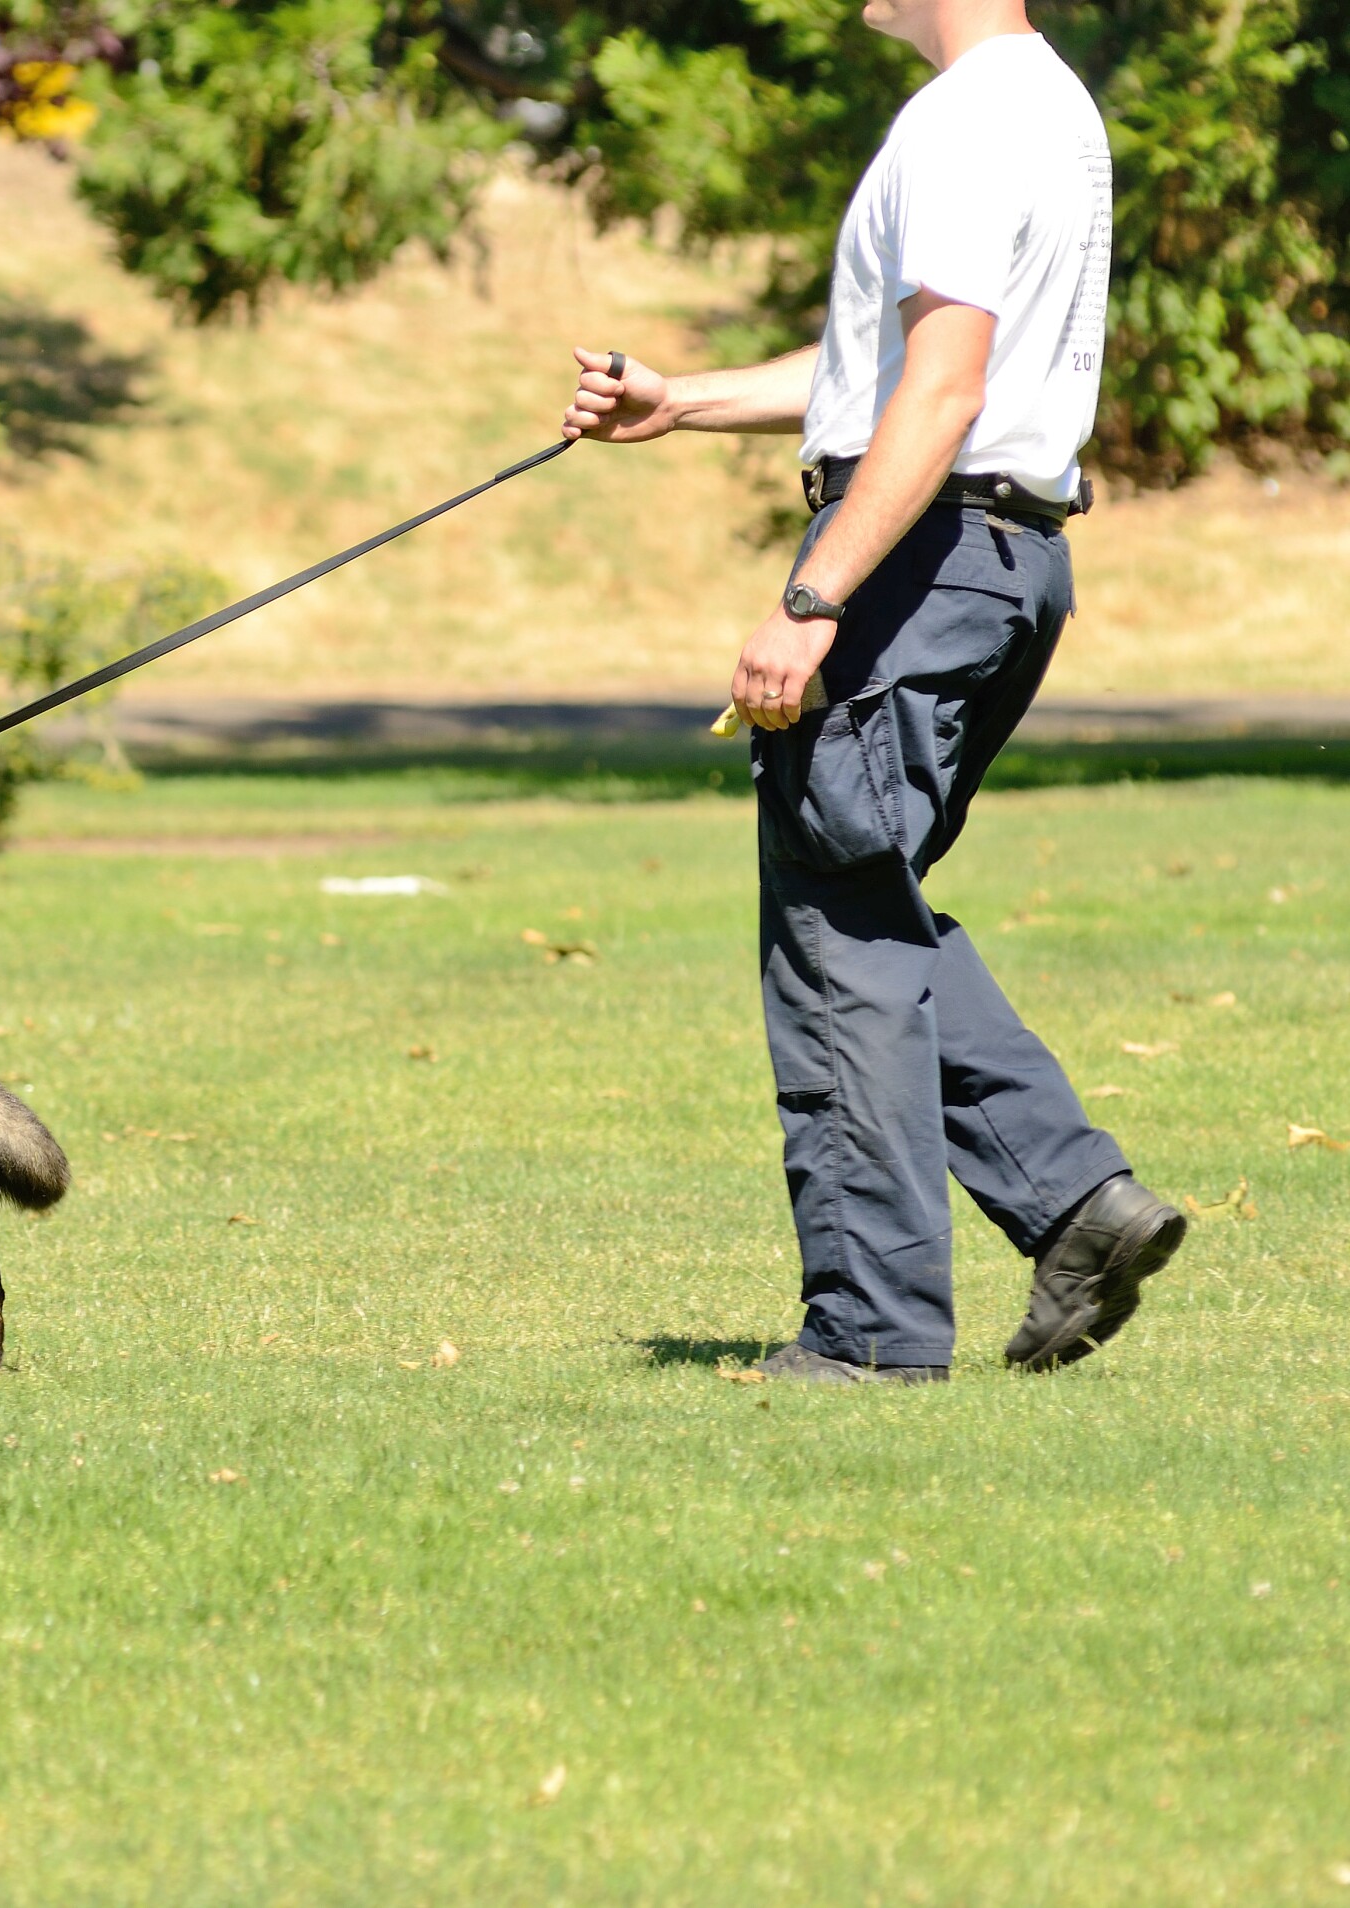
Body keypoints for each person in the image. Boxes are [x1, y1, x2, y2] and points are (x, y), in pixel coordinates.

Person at [559, 0, 1184, 1382]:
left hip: (918, 558)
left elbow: (944, 389)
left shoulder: (963, 120)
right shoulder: (1047, 105)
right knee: (869, 902)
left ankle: (868, 1337)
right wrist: (686, 401)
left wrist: (814, 595)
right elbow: (895, 367)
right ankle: (1078, 1204)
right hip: (1002, 557)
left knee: (835, 937)